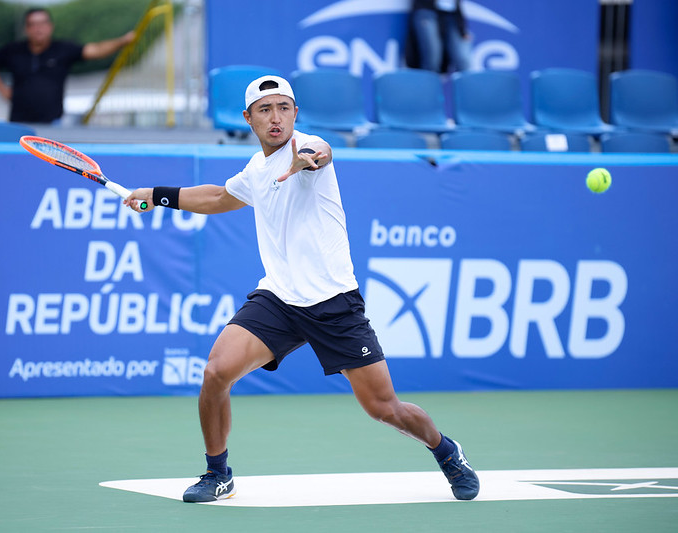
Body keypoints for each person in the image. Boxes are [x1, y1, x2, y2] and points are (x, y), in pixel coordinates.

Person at [123, 75, 480, 503]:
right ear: (248, 119)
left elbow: (321, 152)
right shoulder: (256, 171)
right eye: (265, 110)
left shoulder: (307, 146)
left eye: (283, 108)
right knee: (216, 372)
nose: (275, 118)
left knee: (383, 408)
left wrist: (306, 158)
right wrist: (157, 195)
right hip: (278, 299)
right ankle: (217, 473)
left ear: (295, 113)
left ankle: (446, 451)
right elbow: (220, 197)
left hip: (333, 303)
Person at [0, 7, 135, 123]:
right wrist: (3, 90)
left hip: (54, 124)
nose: (38, 28)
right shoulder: (13, 50)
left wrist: (122, 41)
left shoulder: (63, 49)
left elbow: (96, 50)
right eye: (33, 24)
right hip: (19, 123)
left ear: (50, 26)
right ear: (26, 29)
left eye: (42, 23)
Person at [405, 0, 472, 73]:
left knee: (463, 60)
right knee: (432, 59)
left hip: (453, 14)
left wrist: (462, 27)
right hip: (427, 10)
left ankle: (465, 83)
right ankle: (430, 83)